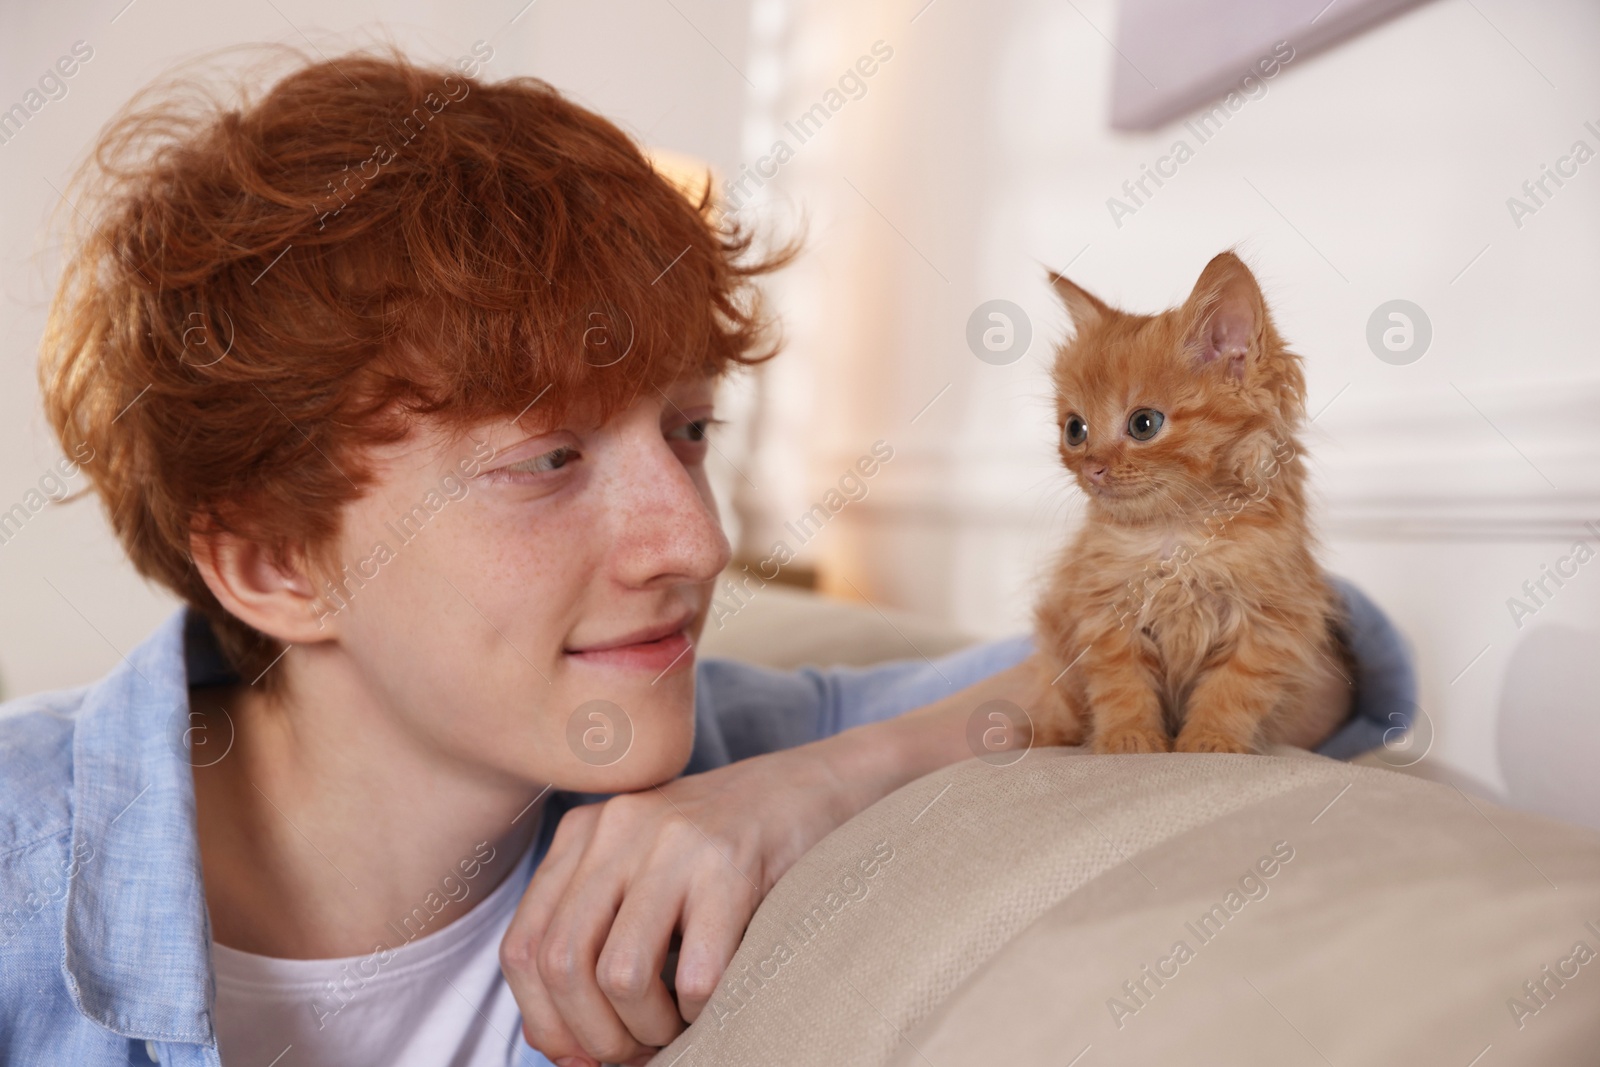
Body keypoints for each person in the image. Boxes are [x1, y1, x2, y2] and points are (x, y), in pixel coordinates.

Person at [0, 49, 1414, 1067]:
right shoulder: (21, 866)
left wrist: (818, 781)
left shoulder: (744, 744)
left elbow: (1319, 656)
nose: (699, 542)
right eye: (549, 461)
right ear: (267, 567)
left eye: (685, 432)